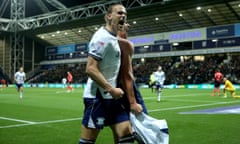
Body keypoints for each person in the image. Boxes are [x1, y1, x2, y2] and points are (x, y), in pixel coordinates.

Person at [79, 4, 135, 144]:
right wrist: (111, 89)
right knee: (87, 141)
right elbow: (90, 68)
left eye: (125, 13)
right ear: (109, 16)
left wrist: (123, 30)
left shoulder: (113, 36)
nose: (123, 15)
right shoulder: (101, 38)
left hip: (112, 98)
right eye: (119, 13)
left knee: (127, 135)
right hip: (97, 98)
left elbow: (118, 39)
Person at [117, 23, 147, 114]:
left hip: (112, 86)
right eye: (125, 30)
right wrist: (133, 102)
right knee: (142, 118)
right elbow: (127, 75)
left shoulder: (105, 41)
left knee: (122, 121)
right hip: (124, 86)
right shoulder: (125, 44)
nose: (128, 26)